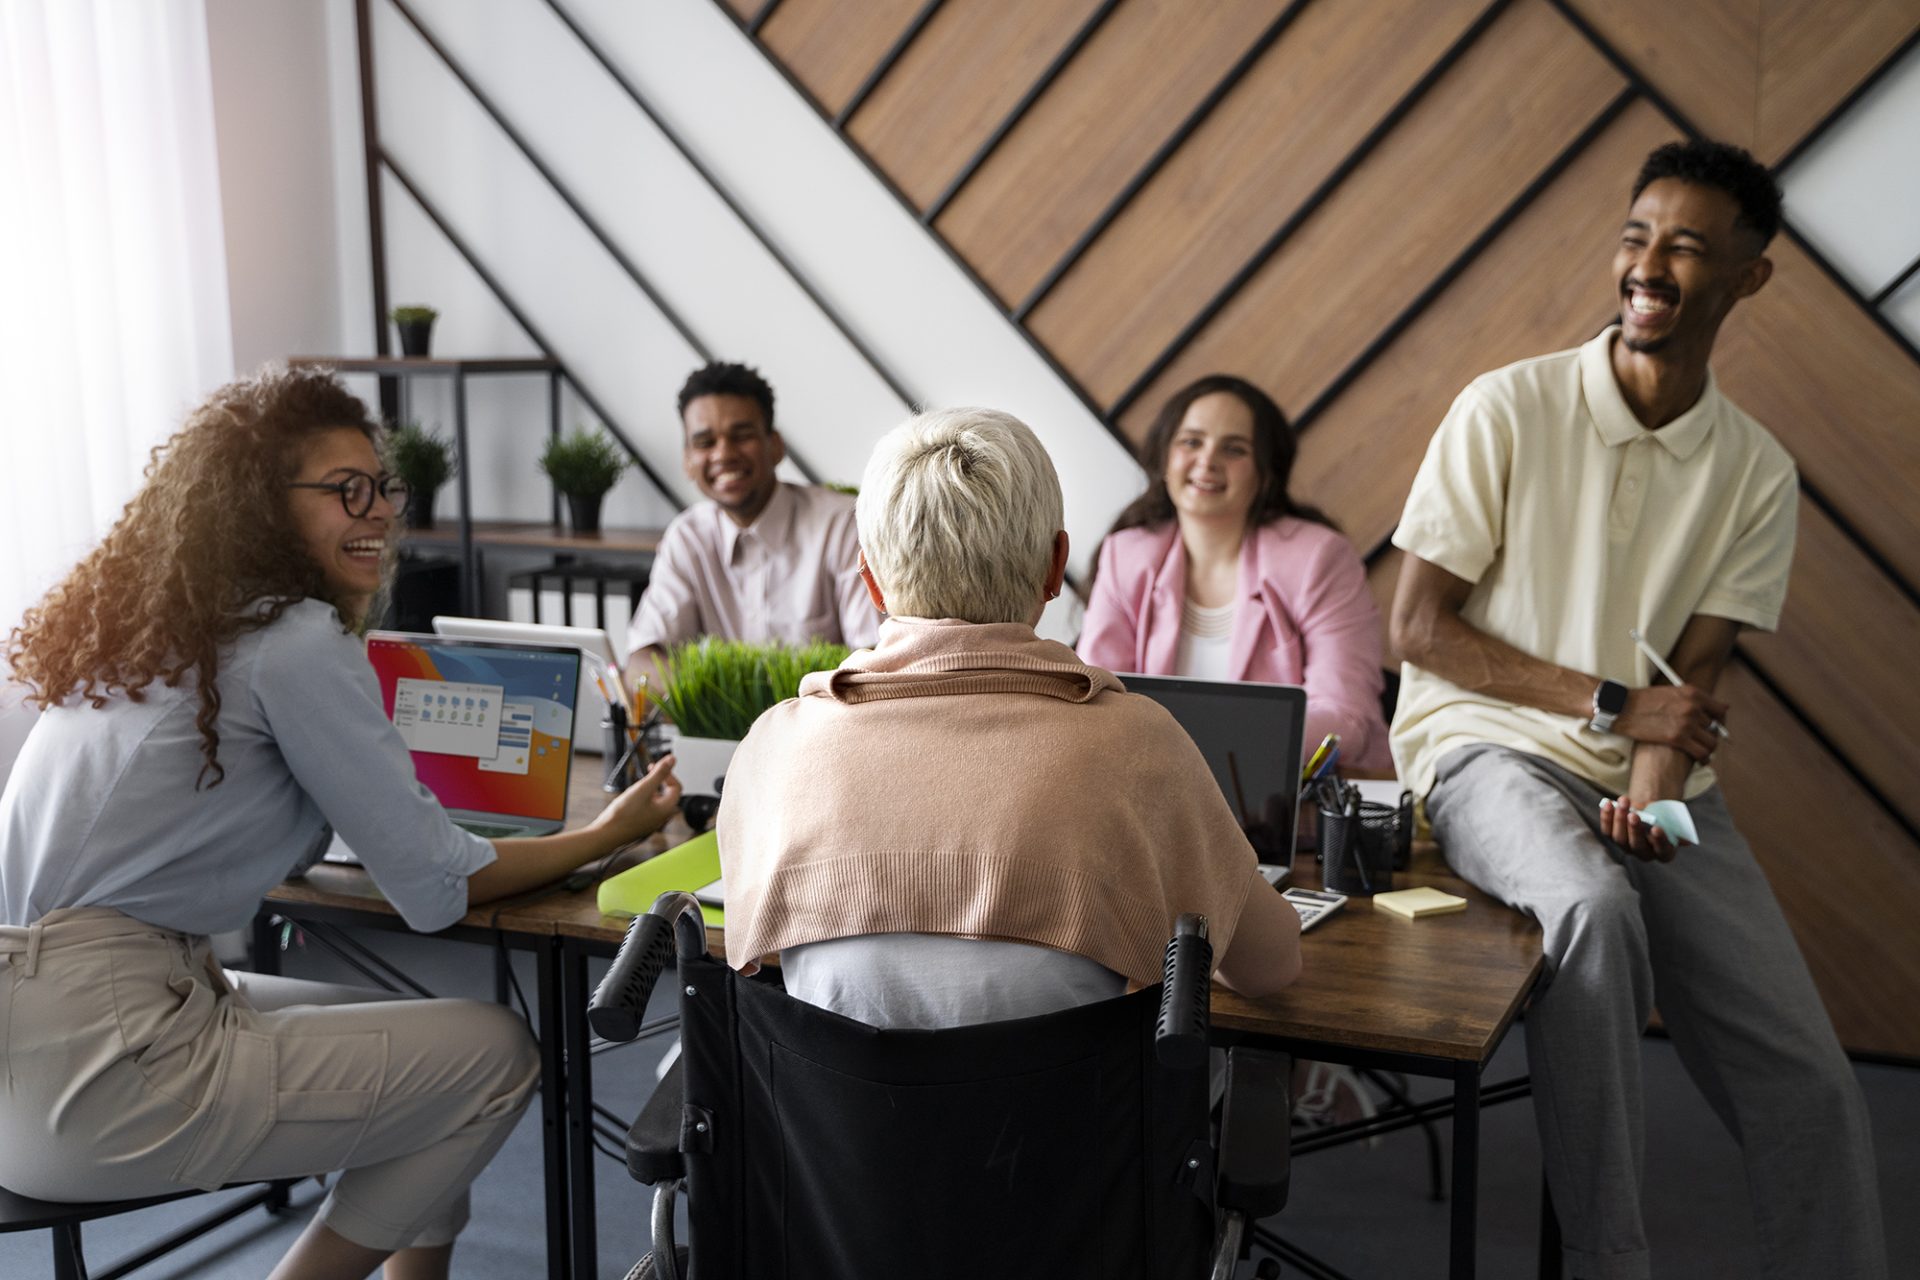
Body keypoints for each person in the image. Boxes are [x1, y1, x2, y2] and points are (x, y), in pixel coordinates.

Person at [0, 367, 683, 1280]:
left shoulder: (155, 632)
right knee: (493, 1057)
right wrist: (608, 834)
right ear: (258, 506)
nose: (376, 513)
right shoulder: (292, 643)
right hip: (108, 1064)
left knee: (421, 1050)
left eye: (382, 488)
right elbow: (438, 891)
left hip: (35, 1053)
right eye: (343, 490)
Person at [1388, 140, 1884, 1279]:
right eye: (1636, 234)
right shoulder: (1506, 405)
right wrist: (1613, 707)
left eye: (1686, 246)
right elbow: (1417, 628)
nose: (1648, 264)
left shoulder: (1757, 470)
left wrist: (1654, 789)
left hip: (1657, 777)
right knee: (1593, 912)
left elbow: (1695, 682)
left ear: (1748, 279)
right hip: (1486, 748)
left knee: (1808, 1075)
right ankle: (1614, 1260)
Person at [716, 407, 1302, 1031]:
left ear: (872, 584)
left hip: (821, 1127)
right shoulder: (1140, 744)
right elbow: (1271, 968)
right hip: (1078, 1127)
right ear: (1056, 566)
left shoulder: (774, 749)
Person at [1078, 375, 1390, 770]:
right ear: (1164, 458)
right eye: (1191, 442)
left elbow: (1347, 716)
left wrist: (1223, 750)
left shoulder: (1318, 558)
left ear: (1266, 473)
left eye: (1234, 449)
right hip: (1153, 791)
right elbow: (1095, 698)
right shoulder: (1126, 554)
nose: (1207, 461)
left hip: (1291, 800)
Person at [625, 361, 880, 687]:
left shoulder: (842, 525)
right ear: (688, 460)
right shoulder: (688, 537)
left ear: (775, 446)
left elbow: (873, 660)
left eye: (741, 435)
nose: (724, 454)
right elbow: (641, 663)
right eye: (705, 442)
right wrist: (718, 705)